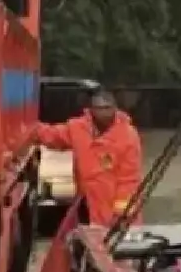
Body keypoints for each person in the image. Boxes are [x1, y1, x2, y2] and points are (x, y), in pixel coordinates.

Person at [37, 87, 144, 228]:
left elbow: (129, 180)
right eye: (99, 108)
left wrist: (121, 214)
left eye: (107, 108)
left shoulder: (128, 136)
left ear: (115, 108)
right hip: (85, 205)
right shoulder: (77, 128)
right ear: (91, 109)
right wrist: (31, 130)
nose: (104, 113)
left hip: (117, 214)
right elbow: (53, 135)